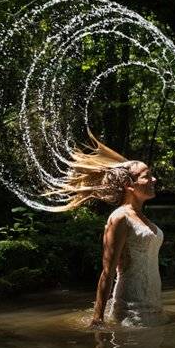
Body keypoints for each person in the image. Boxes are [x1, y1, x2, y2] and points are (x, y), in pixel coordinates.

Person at [48, 133, 165, 327]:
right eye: (147, 176)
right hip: (132, 312)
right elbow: (107, 271)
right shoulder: (119, 218)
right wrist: (97, 320)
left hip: (155, 308)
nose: (154, 179)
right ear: (129, 185)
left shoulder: (144, 218)